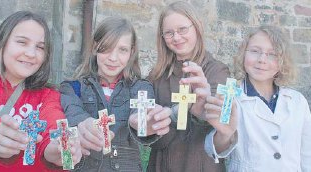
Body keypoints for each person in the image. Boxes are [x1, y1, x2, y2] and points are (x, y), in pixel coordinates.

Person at [0, 11, 82, 172]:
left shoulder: (50, 96)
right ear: (2, 44)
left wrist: (59, 150)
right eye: (22, 42)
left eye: (40, 47)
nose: (31, 54)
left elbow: (53, 122)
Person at [59, 17, 171, 172]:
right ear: (94, 47)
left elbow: (140, 113)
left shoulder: (140, 88)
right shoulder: (72, 87)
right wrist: (85, 124)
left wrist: (141, 121)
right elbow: (74, 113)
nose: (113, 58)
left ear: (131, 52)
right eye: (106, 48)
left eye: (122, 50)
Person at [205, 25, 311, 171]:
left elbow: (307, 155)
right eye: (255, 51)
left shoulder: (298, 101)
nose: (262, 59)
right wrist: (224, 134)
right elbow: (215, 151)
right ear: (243, 54)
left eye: (272, 54)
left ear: (282, 62)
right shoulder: (229, 98)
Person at [147, 1, 230, 172]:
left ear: (197, 27)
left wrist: (203, 106)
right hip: (163, 163)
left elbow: (218, 117)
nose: (176, 37)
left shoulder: (217, 70)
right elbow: (150, 133)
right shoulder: (156, 76)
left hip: (201, 163)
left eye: (182, 29)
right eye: (169, 33)